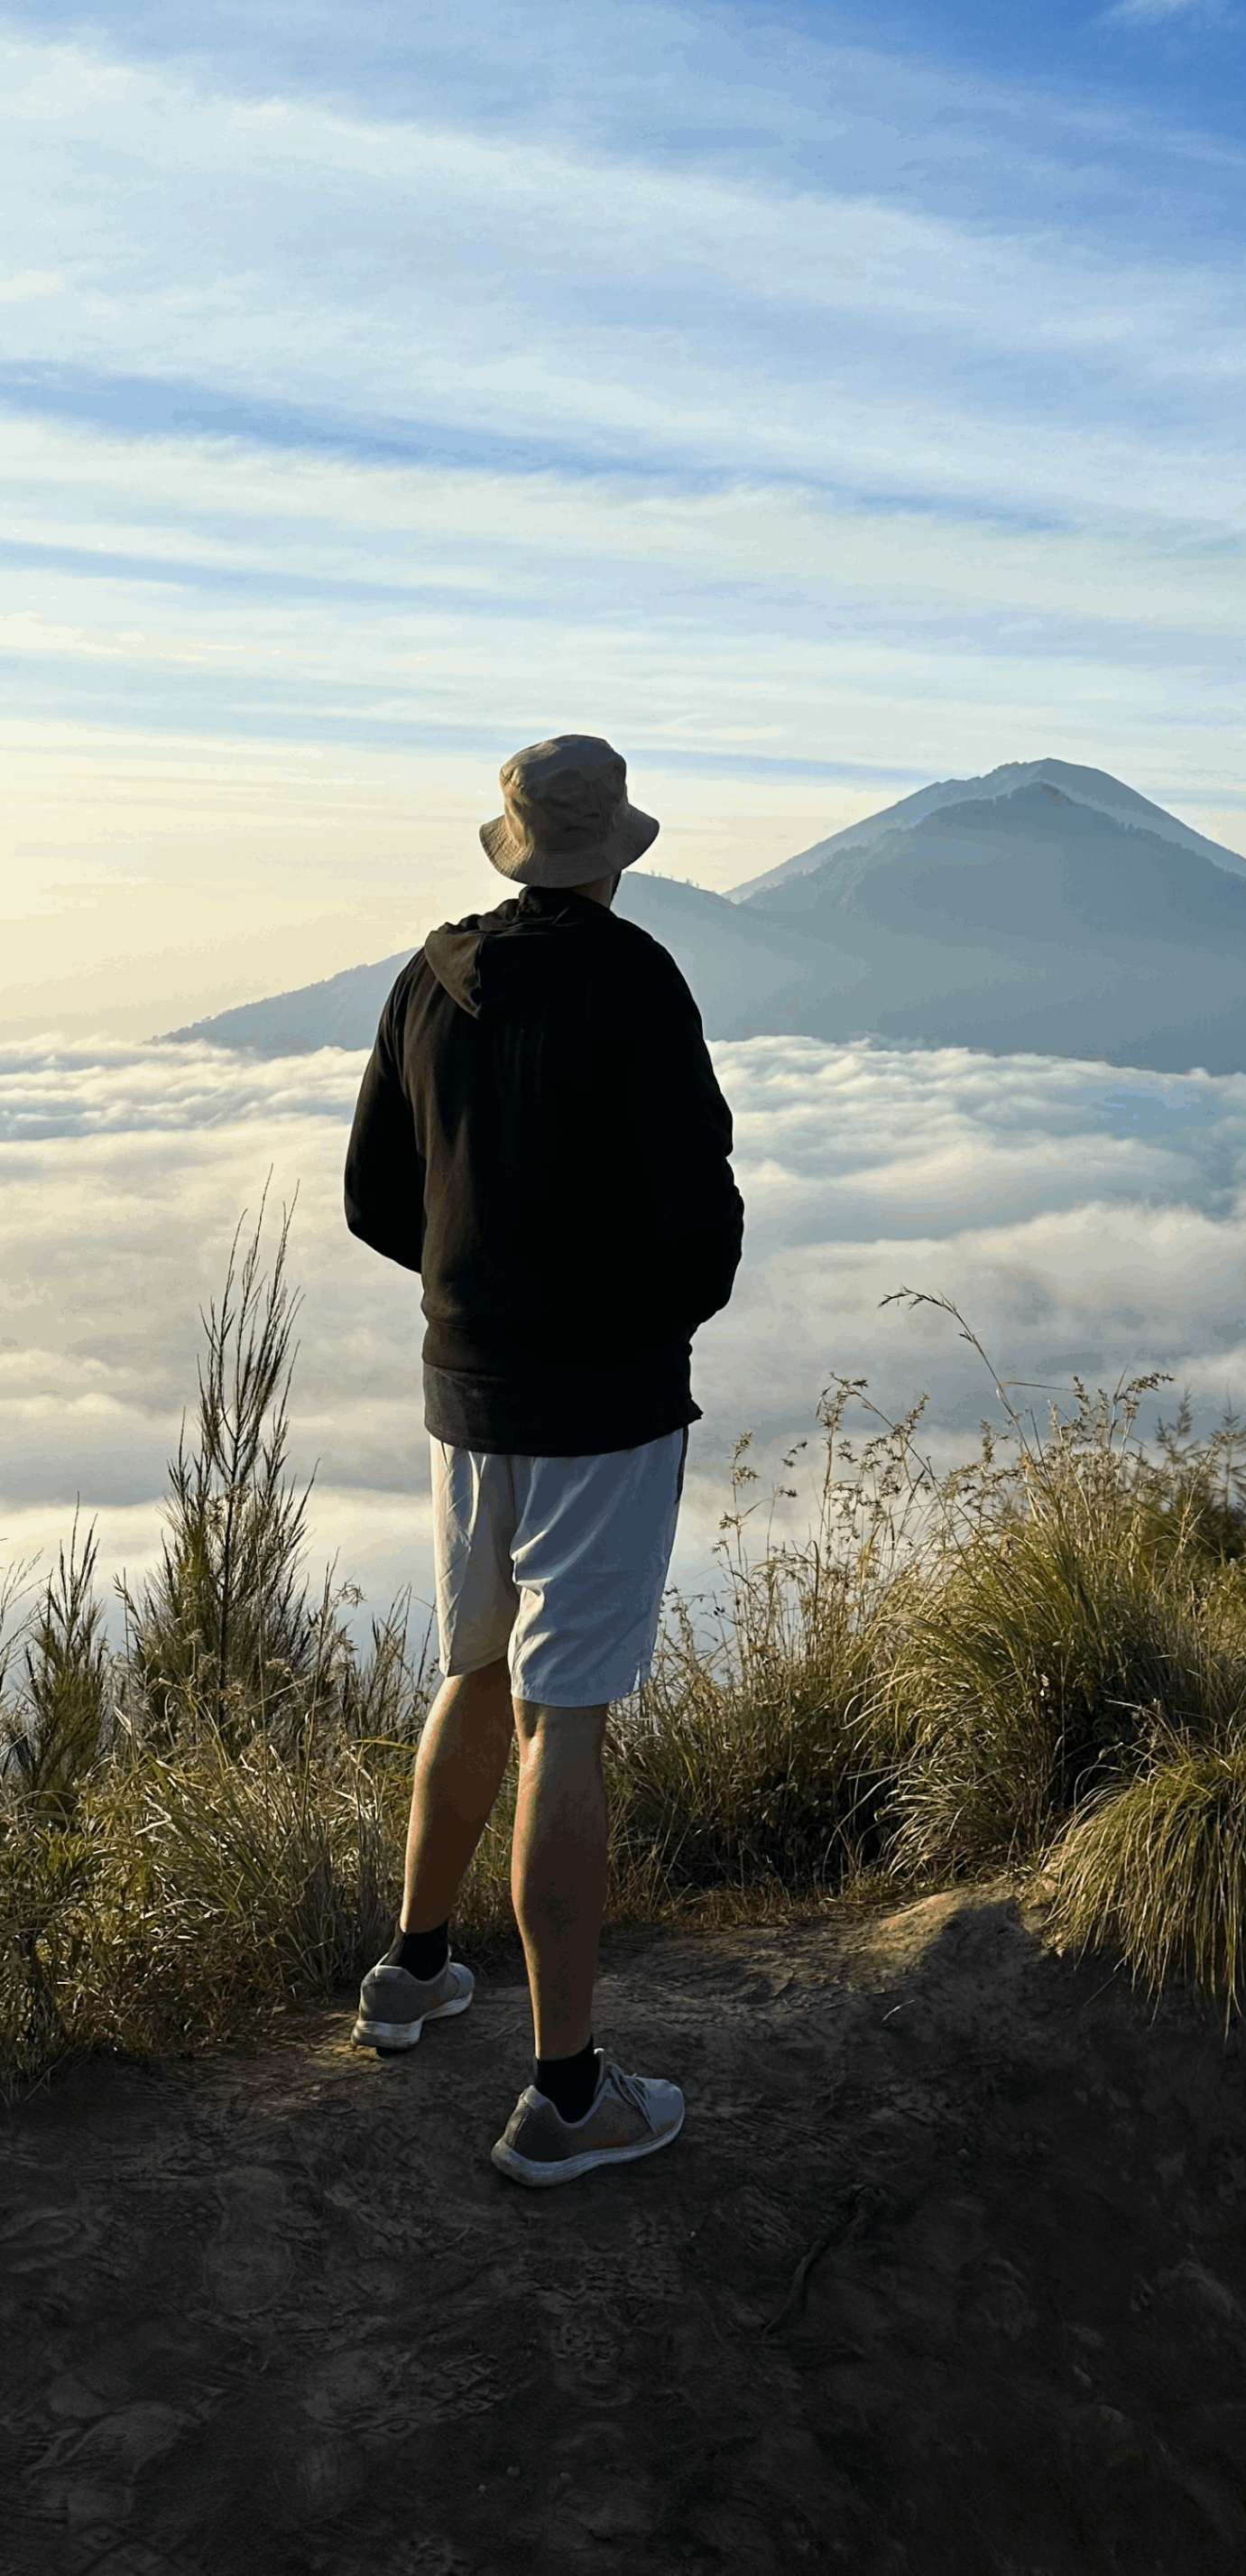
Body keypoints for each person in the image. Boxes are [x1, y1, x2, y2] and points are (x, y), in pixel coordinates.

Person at [342, 733, 743, 2185]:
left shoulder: (428, 980)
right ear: (615, 851)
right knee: (565, 1717)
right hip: (604, 1399)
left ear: (510, 846)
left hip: (469, 1387)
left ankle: (410, 1970)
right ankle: (568, 2094)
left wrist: (478, 1297)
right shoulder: (638, 985)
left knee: (476, 1669)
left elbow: (376, 1196)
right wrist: (644, 1321)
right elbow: (698, 1213)